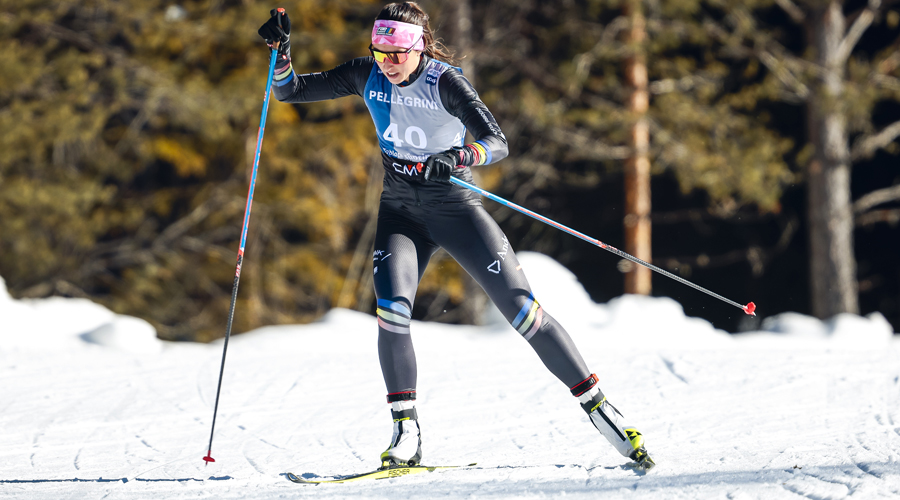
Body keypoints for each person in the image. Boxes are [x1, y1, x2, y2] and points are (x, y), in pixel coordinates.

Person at [257, 2, 655, 471]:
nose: (388, 63)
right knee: (391, 313)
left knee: (524, 312)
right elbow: (290, 92)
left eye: (397, 53)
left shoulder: (445, 81)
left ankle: (601, 409)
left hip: (455, 211)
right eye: (380, 52)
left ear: (419, 45)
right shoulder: (366, 74)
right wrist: (281, 53)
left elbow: (497, 141)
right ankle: (406, 430)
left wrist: (462, 156)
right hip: (401, 213)